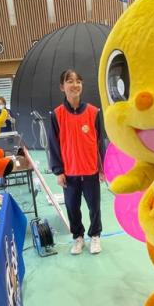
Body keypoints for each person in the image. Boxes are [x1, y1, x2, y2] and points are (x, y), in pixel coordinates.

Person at [47, 69, 106, 255]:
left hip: (90, 171)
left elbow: (100, 142)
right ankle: (78, 238)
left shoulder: (94, 112)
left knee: (94, 207)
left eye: (78, 81)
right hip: (69, 173)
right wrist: (58, 171)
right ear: (62, 87)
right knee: (73, 208)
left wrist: (103, 168)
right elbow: (53, 145)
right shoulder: (56, 115)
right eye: (70, 81)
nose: (75, 84)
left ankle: (95, 236)